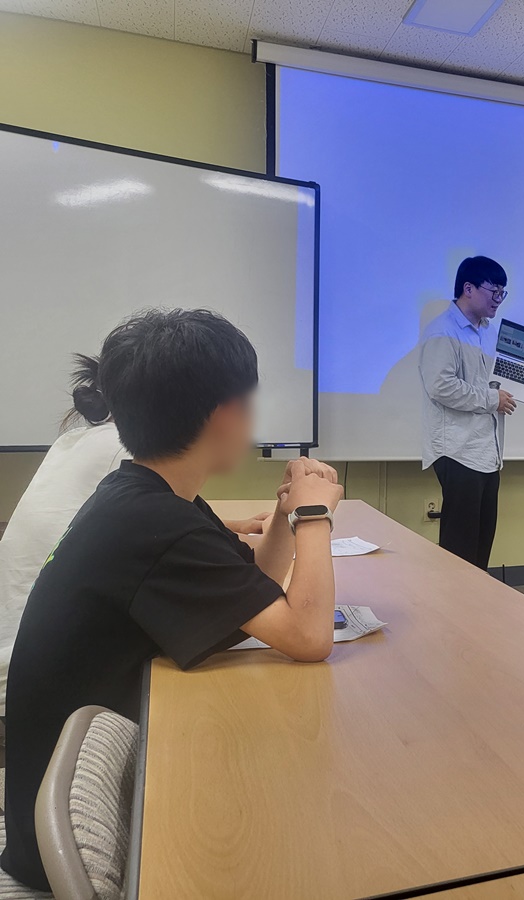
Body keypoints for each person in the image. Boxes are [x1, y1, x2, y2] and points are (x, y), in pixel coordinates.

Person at [1, 309, 344, 890]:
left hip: (59, 799)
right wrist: (314, 514)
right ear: (226, 415)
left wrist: (285, 514)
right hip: (74, 840)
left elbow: (252, 592)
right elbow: (309, 637)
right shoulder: (158, 523)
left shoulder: (147, 494)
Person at [0, 357, 270, 720]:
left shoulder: (79, 440)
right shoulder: (125, 450)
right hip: (47, 689)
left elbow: (153, 519)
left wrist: (232, 525)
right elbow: (160, 522)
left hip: (29, 648)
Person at [418, 256, 524, 569]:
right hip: (457, 451)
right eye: (493, 291)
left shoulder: (489, 332)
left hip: (487, 452)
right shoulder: (442, 331)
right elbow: (441, 386)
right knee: (460, 547)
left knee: (482, 541)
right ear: (468, 288)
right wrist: (491, 400)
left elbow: (504, 379)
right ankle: (454, 600)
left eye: (502, 292)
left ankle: (476, 599)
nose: (499, 298)